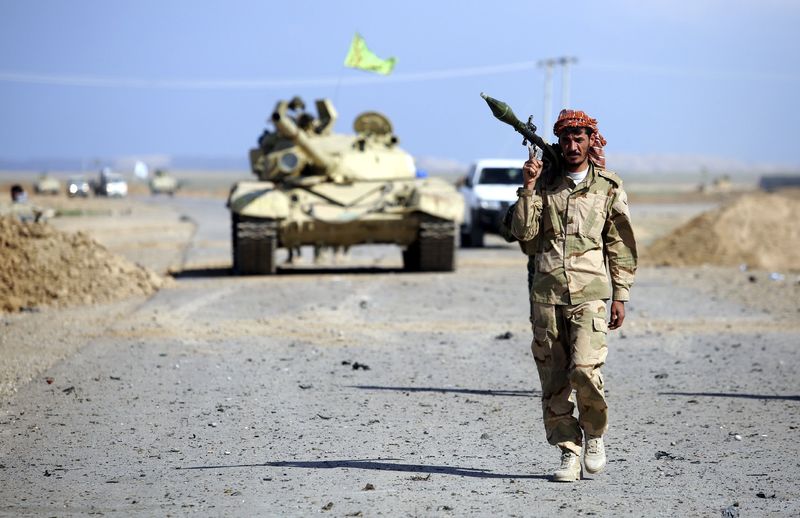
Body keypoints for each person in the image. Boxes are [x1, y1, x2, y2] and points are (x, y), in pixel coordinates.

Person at [508, 109, 637, 482]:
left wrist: (621, 295)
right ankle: (568, 451)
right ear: (559, 143)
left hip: (591, 294)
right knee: (553, 380)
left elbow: (620, 244)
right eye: (565, 139)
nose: (572, 145)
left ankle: (594, 434)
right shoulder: (544, 183)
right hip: (546, 296)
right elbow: (524, 236)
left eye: (579, 138)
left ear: (591, 140)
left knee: (584, 370)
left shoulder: (608, 186)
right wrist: (528, 188)